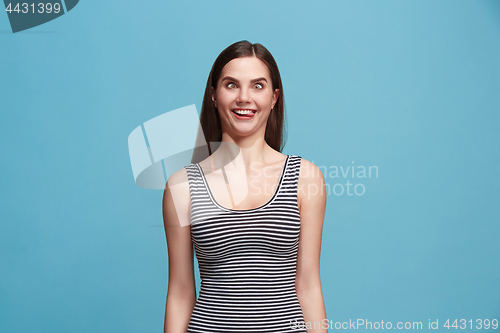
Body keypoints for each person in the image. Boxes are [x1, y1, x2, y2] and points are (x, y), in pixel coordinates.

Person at [162, 40, 328, 332]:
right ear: (214, 95)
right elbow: (180, 292)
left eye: (257, 86)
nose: (244, 97)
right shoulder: (182, 187)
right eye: (231, 85)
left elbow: (309, 285)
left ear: (275, 97)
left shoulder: (305, 178)